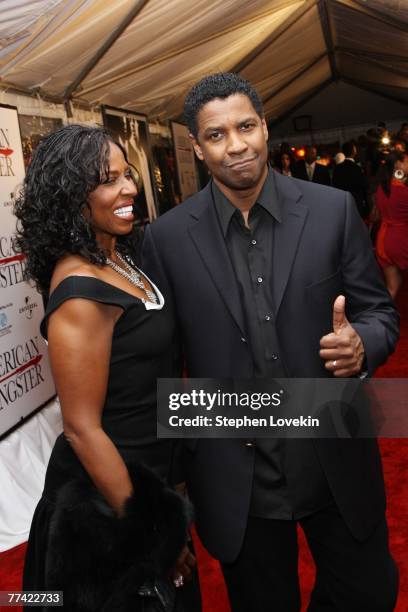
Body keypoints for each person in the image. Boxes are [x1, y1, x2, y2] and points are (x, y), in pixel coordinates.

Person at [142, 73, 399, 612]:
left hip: (332, 452)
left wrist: (363, 346)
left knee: (368, 592)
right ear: (196, 146)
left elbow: (379, 312)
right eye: (216, 135)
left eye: (246, 127)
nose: (235, 145)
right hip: (238, 474)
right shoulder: (165, 239)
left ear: (265, 128)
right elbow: (165, 365)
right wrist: (172, 484)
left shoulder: (331, 211)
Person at [14, 124, 196, 611]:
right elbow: (82, 429)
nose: (129, 188)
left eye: (126, 174)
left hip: (148, 488)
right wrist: (153, 534)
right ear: (72, 198)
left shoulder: (119, 257)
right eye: (107, 180)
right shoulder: (79, 288)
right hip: (107, 515)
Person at [375, 150, 408, 299]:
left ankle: (384, 320)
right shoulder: (402, 192)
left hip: (383, 240)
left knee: (392, 287)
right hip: (401, 239)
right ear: (398, 165)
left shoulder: (381, 189)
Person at [333, 141, 368, 218]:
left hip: (343, 203)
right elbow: (363, 185)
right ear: (354, 152)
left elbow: (334, 186)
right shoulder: (357, 168)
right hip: (356, 202)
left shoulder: (337, 169)